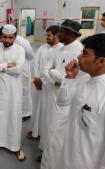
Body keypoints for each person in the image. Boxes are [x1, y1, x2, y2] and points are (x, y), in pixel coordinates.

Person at [60, 33, 105, 169]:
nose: (79, 57)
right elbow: (62, 101)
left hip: (89, 162)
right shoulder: (84, 79)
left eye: (85, 54)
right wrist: (69, 79)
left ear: (101, 62)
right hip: (68, 154)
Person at [41, 19, 84, 169]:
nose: (58, 34)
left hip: (66, 99)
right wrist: (55, 78)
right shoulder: (59, 49)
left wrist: (58, 75)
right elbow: (46, 69)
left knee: (58, 134)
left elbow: (76, 79)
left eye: (62, 31)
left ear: (71, 33)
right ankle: (46, 156)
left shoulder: (79, 51)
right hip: (52, 92)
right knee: (49, 128)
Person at [0, 24, 26, 161]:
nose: (7, 40)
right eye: (4, 37)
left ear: (15, 37)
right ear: (0, 36)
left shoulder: (20, 50)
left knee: (12, 114)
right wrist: (7, 65)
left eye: (10, 38)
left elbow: (18, 70)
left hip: (12, 89)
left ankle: (14, 145)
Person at [27, 25, 63, 153]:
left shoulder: (61, 50)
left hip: (51, 88)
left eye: (49, 35)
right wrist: (36, 79)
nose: (46, 38)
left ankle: (44, 134)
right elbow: (35, 63)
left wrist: (50, 82)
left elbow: (56, 71)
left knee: (47, 112)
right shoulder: (43, 47)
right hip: (39, 84)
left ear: (57, 36)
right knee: (36, 108)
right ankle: (35, 131)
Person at [14, 32, 35, 121]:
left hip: (23, 70)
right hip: (15, 70)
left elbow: (30, 55)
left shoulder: (22, 41)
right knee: (17, 92)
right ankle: (18, 112)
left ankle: (26, 114)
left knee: (24, 91)